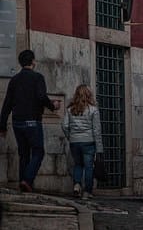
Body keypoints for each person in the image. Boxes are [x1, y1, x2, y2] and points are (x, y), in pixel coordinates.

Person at [0, 50, 61, 192]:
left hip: (17, 123)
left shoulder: (14, 80)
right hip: (32, 122)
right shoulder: (37, 77)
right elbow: (41, 96)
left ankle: (24, 185)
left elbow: (7, 104)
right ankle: (27, 180)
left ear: (21, 63)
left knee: (24, 154)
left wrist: (2, 126)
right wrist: (53, 106)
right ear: (33, 61)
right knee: (38, 152)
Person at [61, 84, 104, 199]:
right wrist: (99, 148)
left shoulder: (70, 109)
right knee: (89, 167)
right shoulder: (93, 110)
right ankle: (87, 192)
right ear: (89, 95)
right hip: (89, 142)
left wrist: (71, 137)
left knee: (78, 164)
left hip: (74, 142)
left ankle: (76, 185)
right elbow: (97, 130)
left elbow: (64, 126)